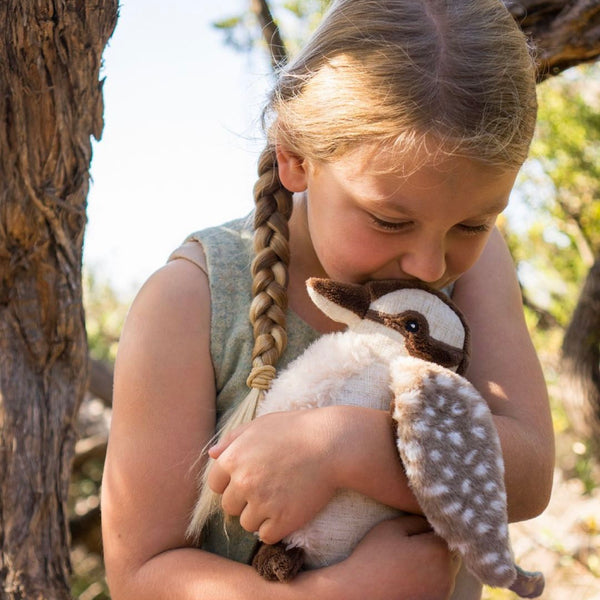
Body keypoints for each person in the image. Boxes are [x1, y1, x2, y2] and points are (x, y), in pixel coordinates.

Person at [101, 0, 555, 598]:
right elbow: (141, 574)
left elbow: (530, 476)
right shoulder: (192, 301)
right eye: (388, 221)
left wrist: (346, 446)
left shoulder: (476, 267)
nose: (431, 264)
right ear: (295, 157)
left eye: (473, 224)